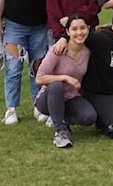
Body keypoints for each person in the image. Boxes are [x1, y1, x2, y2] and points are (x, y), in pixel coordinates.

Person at [34, 13, 95, 148]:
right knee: (56, 85)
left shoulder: (87, 51)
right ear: (67, 32)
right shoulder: (57, 50)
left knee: (89, 117)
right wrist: (65, 78)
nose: (79, 33)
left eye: (82, 28)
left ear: (88, 29)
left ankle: (63, 119)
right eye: (74, 29)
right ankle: (60, 132)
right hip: (48, 98)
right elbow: (39, 78)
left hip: (71, 97)